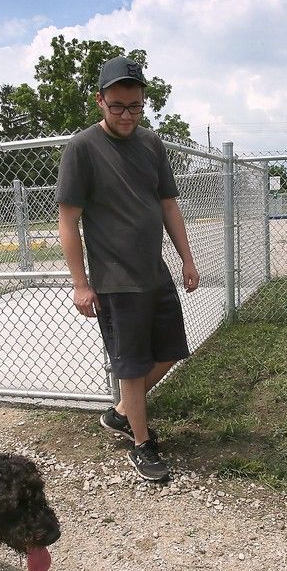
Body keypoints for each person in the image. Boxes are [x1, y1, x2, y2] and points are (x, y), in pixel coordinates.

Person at [56, 56, 200, 482]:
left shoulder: (152, 145)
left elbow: (168, 205)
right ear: (100, 101)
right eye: (117, 105)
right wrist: (81, 284)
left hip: (154, 272)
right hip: (116, 280)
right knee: (132, 367)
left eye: (135, 106)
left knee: (172, 351)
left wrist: (186, 258)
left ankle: (121, 412)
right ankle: (141, 443)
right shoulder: (82, 149)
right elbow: (68, 222)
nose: (126, 115)